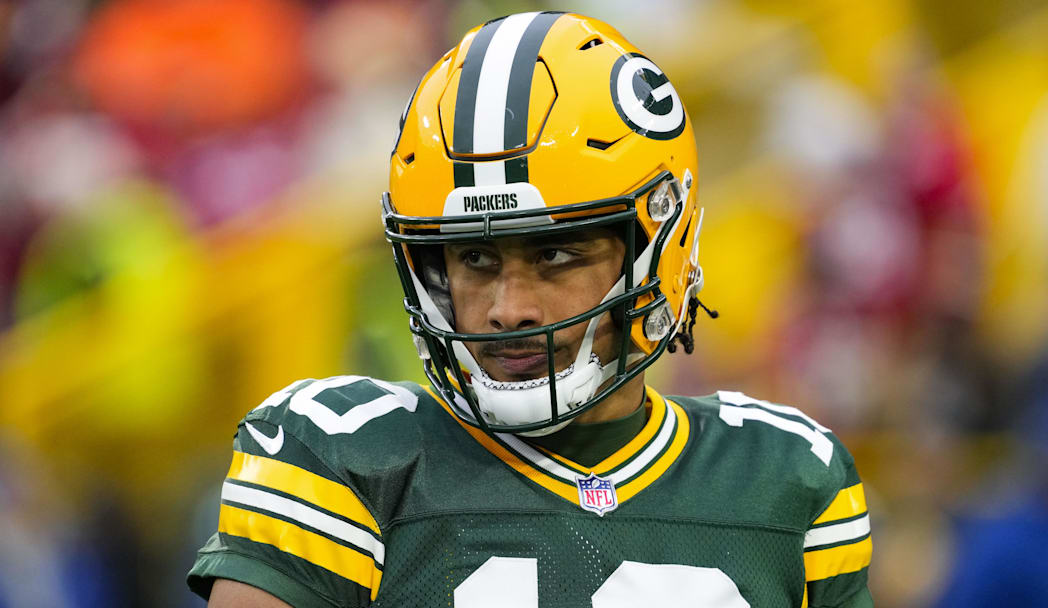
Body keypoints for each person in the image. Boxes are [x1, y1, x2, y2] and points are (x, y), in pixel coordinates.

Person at [188, 12, 873, 607]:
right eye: (476, 261)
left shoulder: (785, 477)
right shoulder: (341, 458)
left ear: (657, 245)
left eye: (556, 256)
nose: (508, 309)